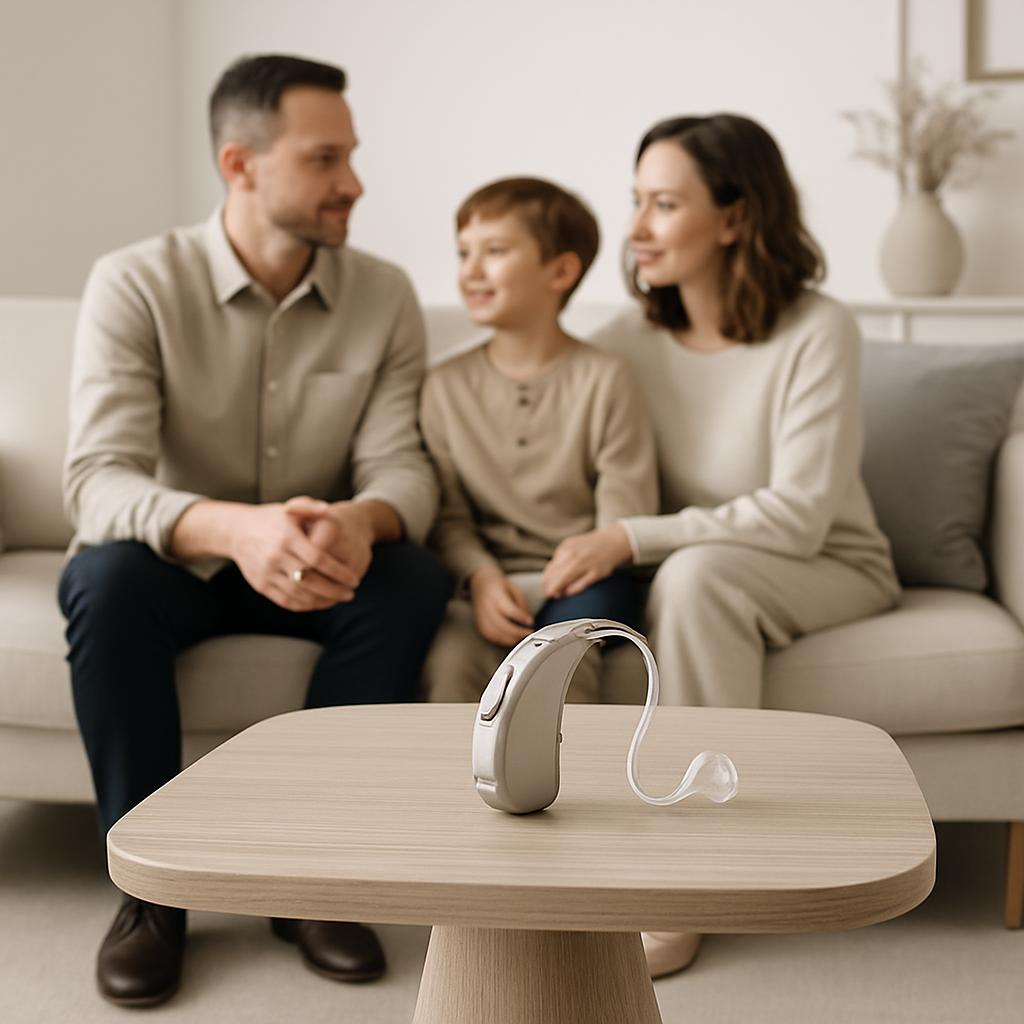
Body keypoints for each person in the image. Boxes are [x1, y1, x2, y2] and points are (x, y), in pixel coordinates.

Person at [58, 54, 451, 1007]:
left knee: (411, 578)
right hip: (180, 559)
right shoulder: (134, 283)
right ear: (241, 165)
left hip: (316, 557)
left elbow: (405, 466)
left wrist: (363, 520)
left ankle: (308, 880)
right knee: (103, 582)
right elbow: (96, 481)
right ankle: (152, 894)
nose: (353, 182)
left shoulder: (385, 293)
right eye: (326, 159)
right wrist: (232, 529)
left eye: (350, 156)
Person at [547, 114, 901, 977]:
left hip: (827, 563)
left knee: (698, 579)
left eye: (664, 204)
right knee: (684, 579)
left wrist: (632, 537)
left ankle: (691, 880)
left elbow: (802, 514)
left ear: (736, 217)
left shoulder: (819, 329)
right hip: (697, 569)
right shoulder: (623, 342)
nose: (633, 229)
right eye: (636, 201)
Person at [420, 177, 658, 702]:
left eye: (495, 251)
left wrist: (574, 569)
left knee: (560, 667)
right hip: (485, 580)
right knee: (450, 663)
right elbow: (449, 519)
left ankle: (572, 782)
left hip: (586, 580)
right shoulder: (442, 386)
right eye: (464, 253)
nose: (471, 271)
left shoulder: (607, 378)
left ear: (561, 270)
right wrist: (480, 578)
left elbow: (624, 512)